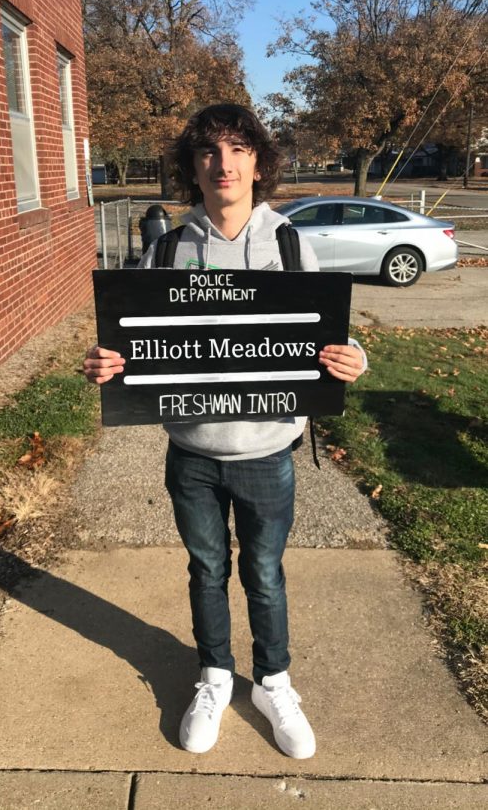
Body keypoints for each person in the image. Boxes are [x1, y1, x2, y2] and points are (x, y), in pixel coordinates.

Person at [84, 104, 366, 760]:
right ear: (193, 166)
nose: (224, 162)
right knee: (206, 568)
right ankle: (214, 675)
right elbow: (136, 339)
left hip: (267, 452)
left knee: (264, 573)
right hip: (192, 453)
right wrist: (109, 363)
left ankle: (272, 681)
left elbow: (329, 335)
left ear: (259, 162)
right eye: (209, 151)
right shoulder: (168, 248)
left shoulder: (292, 245)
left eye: (239, 149)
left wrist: (355, 357)